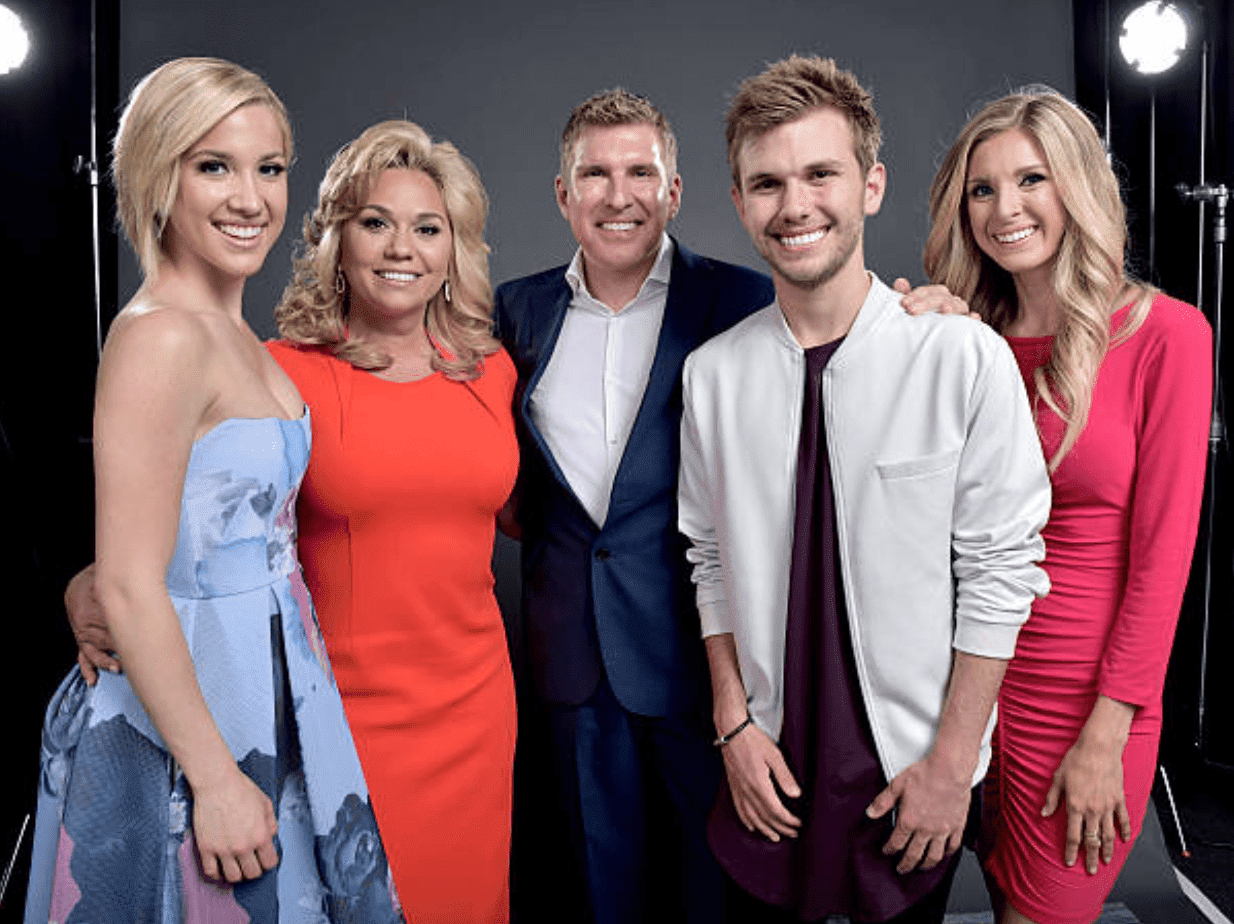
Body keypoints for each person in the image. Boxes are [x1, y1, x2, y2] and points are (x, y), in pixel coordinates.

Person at [677, 55, 1052, 924]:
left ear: (871, 186)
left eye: (820, 174)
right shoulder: (713, 376)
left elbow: (1001, 572)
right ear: (738, 202)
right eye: (766, 183)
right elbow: (707, 560)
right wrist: (733, 725)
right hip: (768, 763)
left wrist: (953, 769)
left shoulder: (959, 357)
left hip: (908, 773)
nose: (794, 205)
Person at [25, 58, 401, 923]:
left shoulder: (232, 331)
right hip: (194, 712)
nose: (250, 198)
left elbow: (174, 525)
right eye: (214, 166)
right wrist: (214, 779)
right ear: (160, 175)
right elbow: (129, 582)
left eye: (269, 168)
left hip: (268, 675)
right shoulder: (161, 336)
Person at [919, 87, 1211, 924]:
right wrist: (911, 336)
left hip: (1083, 697)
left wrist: (1108, 735)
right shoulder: (962, 339)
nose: (1004, 208)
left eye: (1031, 180)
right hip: (962, 683)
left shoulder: (1168, 336)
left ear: (1077, 187)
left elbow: (1163, 561)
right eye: (982, 189)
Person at [271, 119, 518, 923]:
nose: (400, 247)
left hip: (476, 712)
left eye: (427, 228)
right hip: (343, 717)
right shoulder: (282, 371)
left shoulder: (491, 371)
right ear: (337, 241)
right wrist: (99, 574)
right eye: (375, 222)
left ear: (453, 250)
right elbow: (208, 517)